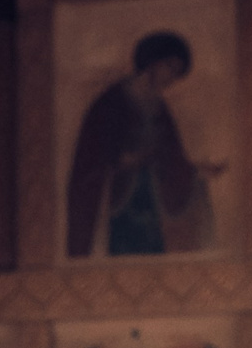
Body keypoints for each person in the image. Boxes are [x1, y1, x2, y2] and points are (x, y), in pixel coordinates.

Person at [65, 31, 220, 258]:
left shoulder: (158, 107)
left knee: (151, 252)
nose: (172, 77)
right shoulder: (112, 101)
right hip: (117, 200)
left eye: (177, 73)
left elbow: (172, 154)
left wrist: (196, 170)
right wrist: (123, 160)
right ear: (153, 61)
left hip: (149, 196)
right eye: (170, 67)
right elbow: (94, 154)